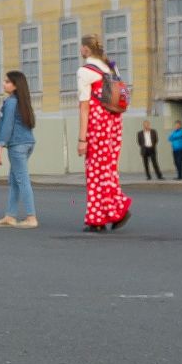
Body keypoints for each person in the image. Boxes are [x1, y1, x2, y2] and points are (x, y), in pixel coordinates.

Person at [76, 35, 132, 232]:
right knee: (108, 170)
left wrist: (82, 139)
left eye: (81, 47)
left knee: (94, 171)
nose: (80, 50)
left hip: (97, 124)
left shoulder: (85, 71)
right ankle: (104, 214)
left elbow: (84, 107)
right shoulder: (110, 67)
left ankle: (107, 214)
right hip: (114, 122)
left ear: (86, 49)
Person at [0, 70, 38, 228]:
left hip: (17, 145)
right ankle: (10, 216)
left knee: (22, 180)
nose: (4, 84)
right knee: (15, 181)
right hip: (27, 142)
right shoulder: (22, 100)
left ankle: (31, 218)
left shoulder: (11, 102)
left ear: (15, 85)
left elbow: (7, 125)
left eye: (7, 82)